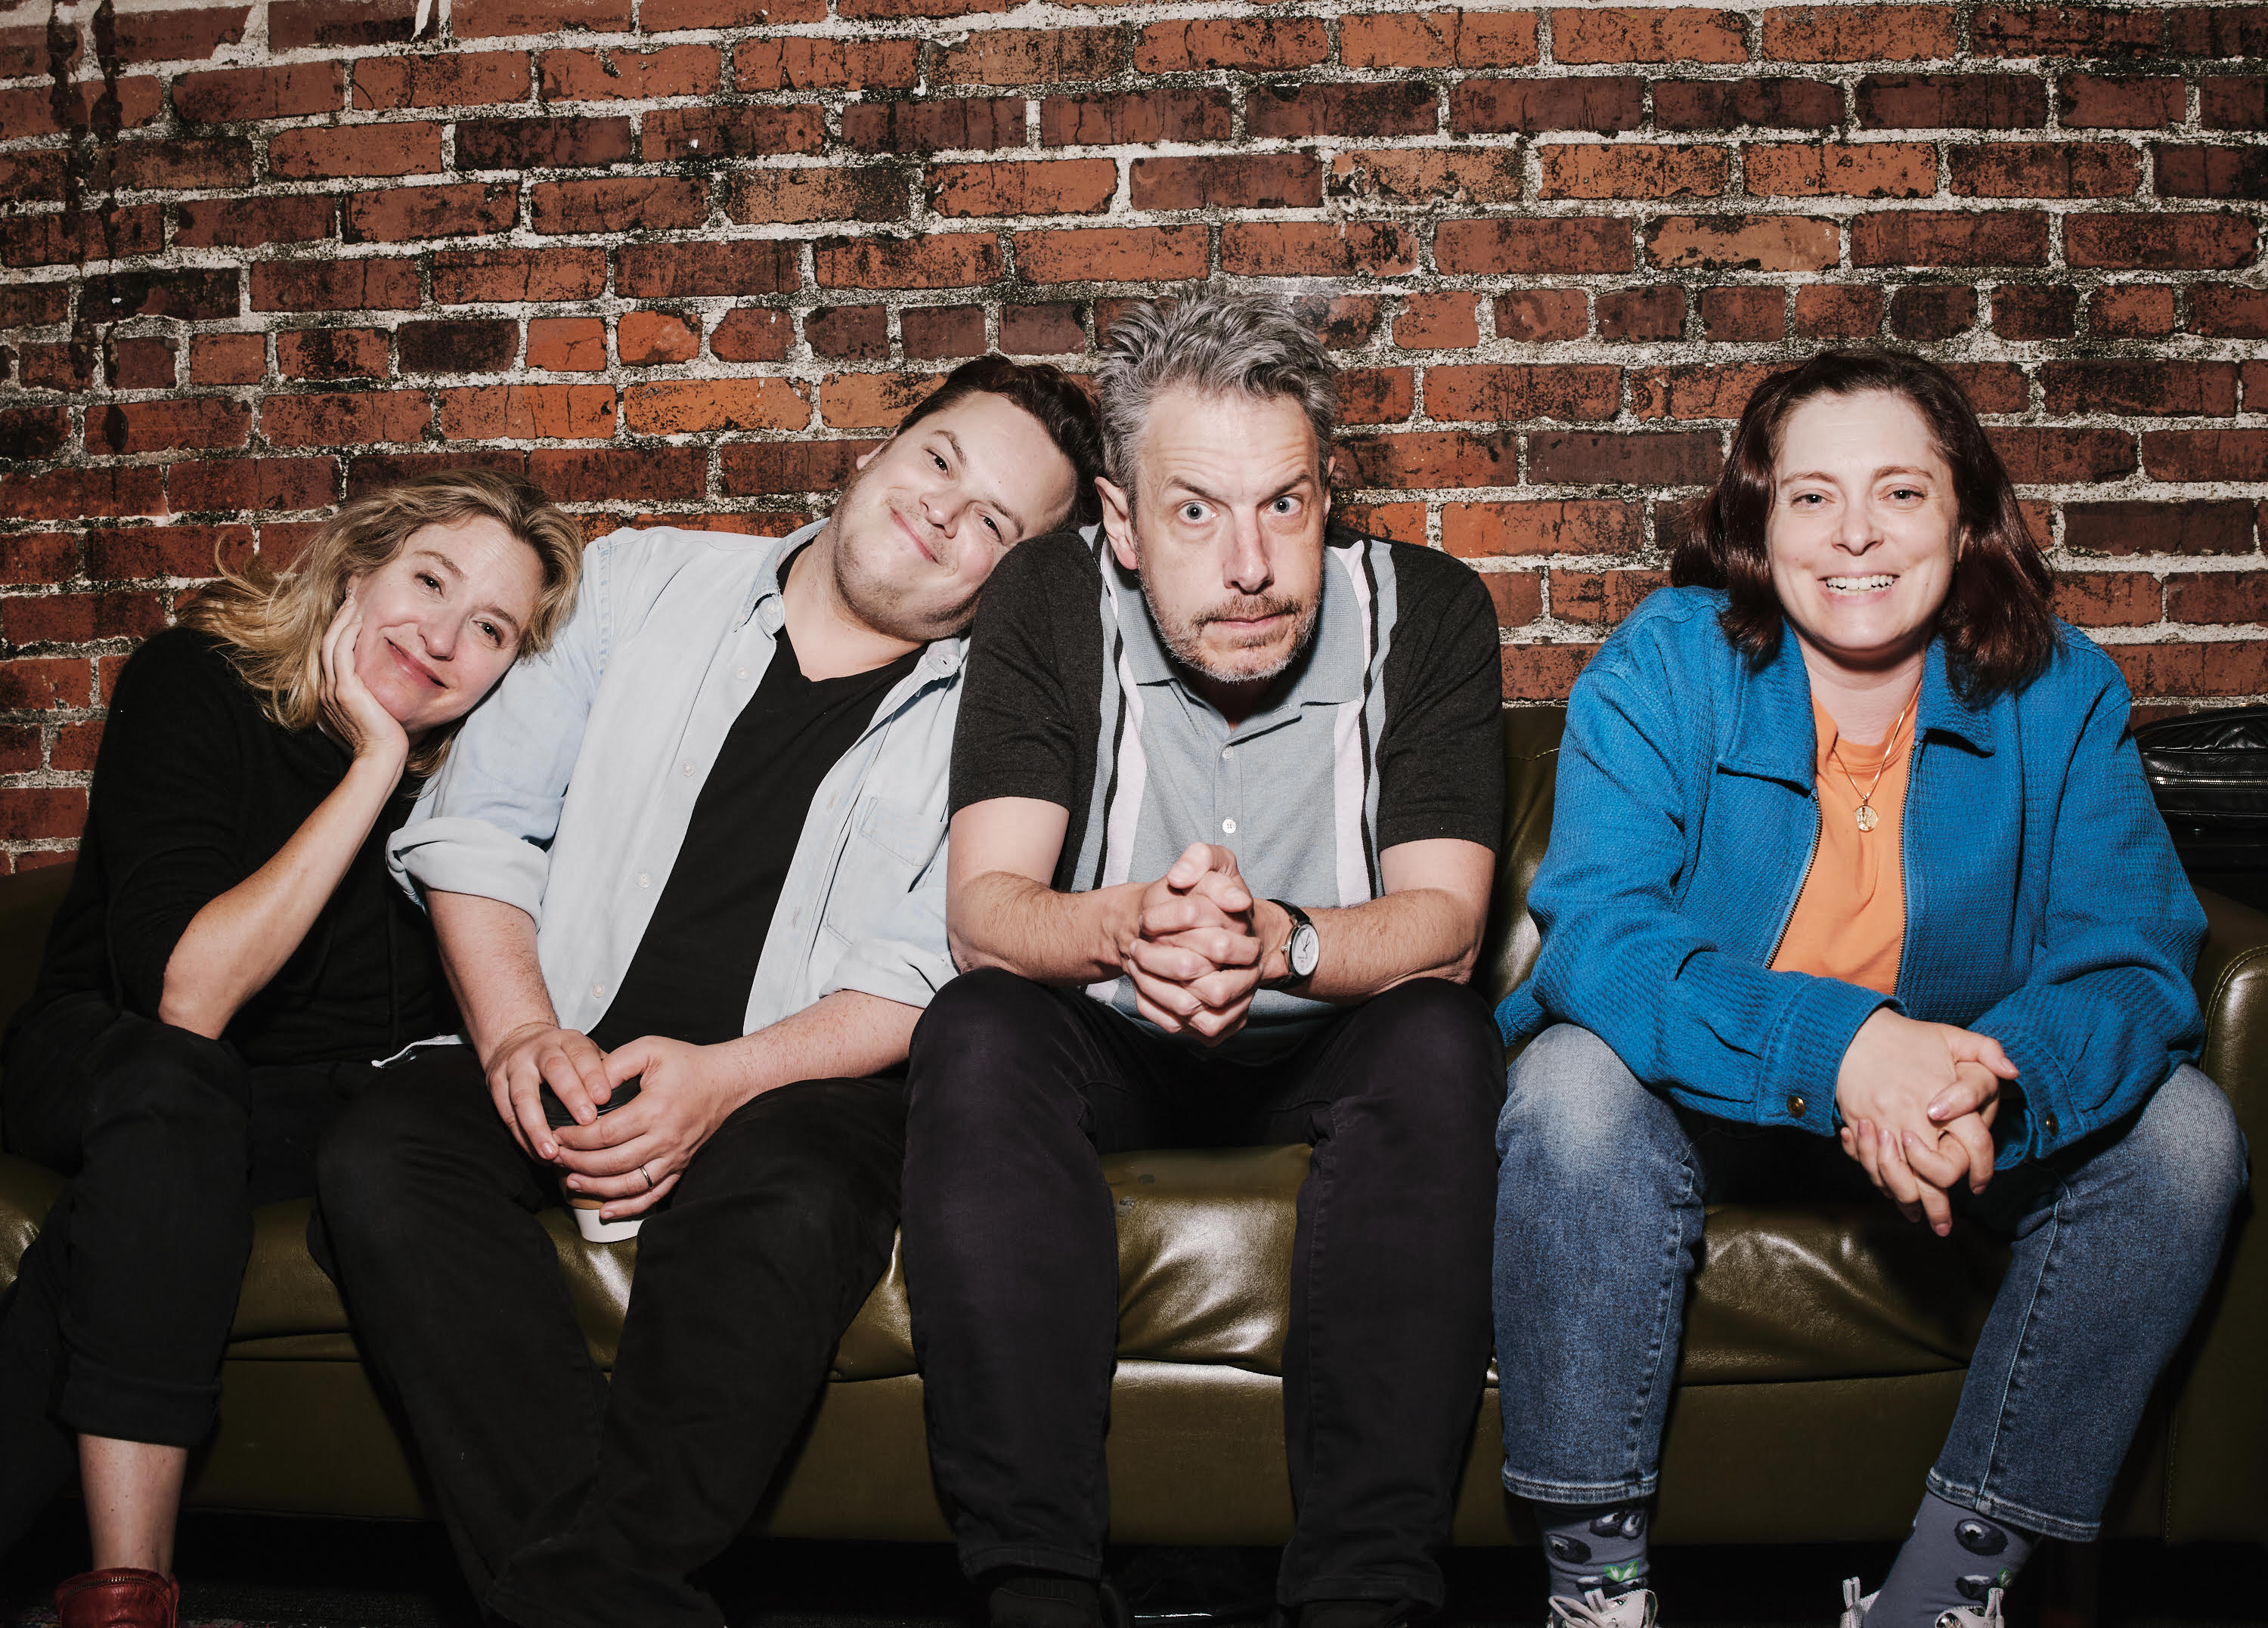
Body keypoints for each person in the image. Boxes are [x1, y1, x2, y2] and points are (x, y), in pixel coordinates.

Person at [311, 356, 1102, 1628]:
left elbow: (936, 956)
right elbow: (479, 825)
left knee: (788, 1189)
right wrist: (520, 1031)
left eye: (998, 523)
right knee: (383, 1154)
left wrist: (725, 1079)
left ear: (1014, 572)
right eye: (941, 461)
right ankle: (612, 1600)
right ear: (878, 451)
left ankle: (580, 1593)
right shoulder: (636, 582)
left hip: (803, 1083)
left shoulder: (1007, 715)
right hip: (559, 1032)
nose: (948, 512)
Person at [1492, 348, 2249, 1628]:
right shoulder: (1668, 662)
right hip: (1708, 1110)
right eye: (1810, 496)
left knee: (2186, 1136)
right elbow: (1603, 936)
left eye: (1900, 493)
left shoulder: (2060, 689)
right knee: (1568, 1081)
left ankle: (1947, 1595)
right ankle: (1595, 1586)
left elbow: (2128, 957)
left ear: (1966, 516)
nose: (1855, 533)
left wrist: (1974, 1091)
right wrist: (1852, 1050)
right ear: (1757, 518)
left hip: (1954, 1130)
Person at [900, 290, 1507, 1628]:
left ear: (1327, 496)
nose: (1250, 565)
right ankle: (1039, 1587)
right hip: (1113, 1032)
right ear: (1117, 522)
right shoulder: (1047, 599)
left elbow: (1448, 927)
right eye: (1193, 513)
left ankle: (1364, 1593)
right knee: (977, 1027)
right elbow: (985, 907)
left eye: (1283, 505)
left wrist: (1278, 939)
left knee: (1440, 1037)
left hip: (1330, 1032)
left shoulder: (1432, 610)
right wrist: (1125, 925)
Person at [0, 472, 583, 1627]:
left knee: (151, 1205)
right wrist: (371, 766)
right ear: (354, 568)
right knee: (176, 1099)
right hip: (114, 1050)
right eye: (429, 581)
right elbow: (191, 997)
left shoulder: (477, 788)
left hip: (301, 1104)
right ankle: (133, 1594)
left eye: (491, 630)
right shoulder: (199, 679)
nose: (444, 638)